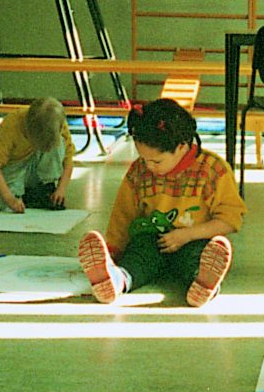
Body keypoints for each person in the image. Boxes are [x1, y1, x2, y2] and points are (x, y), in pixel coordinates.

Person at [78, 98, 245, 307]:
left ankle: (204, 285)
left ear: (182, 146)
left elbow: (230, 220)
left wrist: (186, 235)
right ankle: (116, 280)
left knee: (197, 258)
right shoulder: (139, 171)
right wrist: (112, 252)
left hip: (194, 240)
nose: (149, 166)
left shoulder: (213, 170)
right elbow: (123, 215)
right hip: (153, 241)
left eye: (156, 161)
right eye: (143, 158)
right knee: (138, 256)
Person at [0, 97, 75, 212]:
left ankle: (45, 187)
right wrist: (10, 199)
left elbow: (68, 160)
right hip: (15, 167)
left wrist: (61, 189)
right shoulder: (12, 124)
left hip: (39, 167)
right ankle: (23, 194)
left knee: (59, 144)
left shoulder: (57, 122)